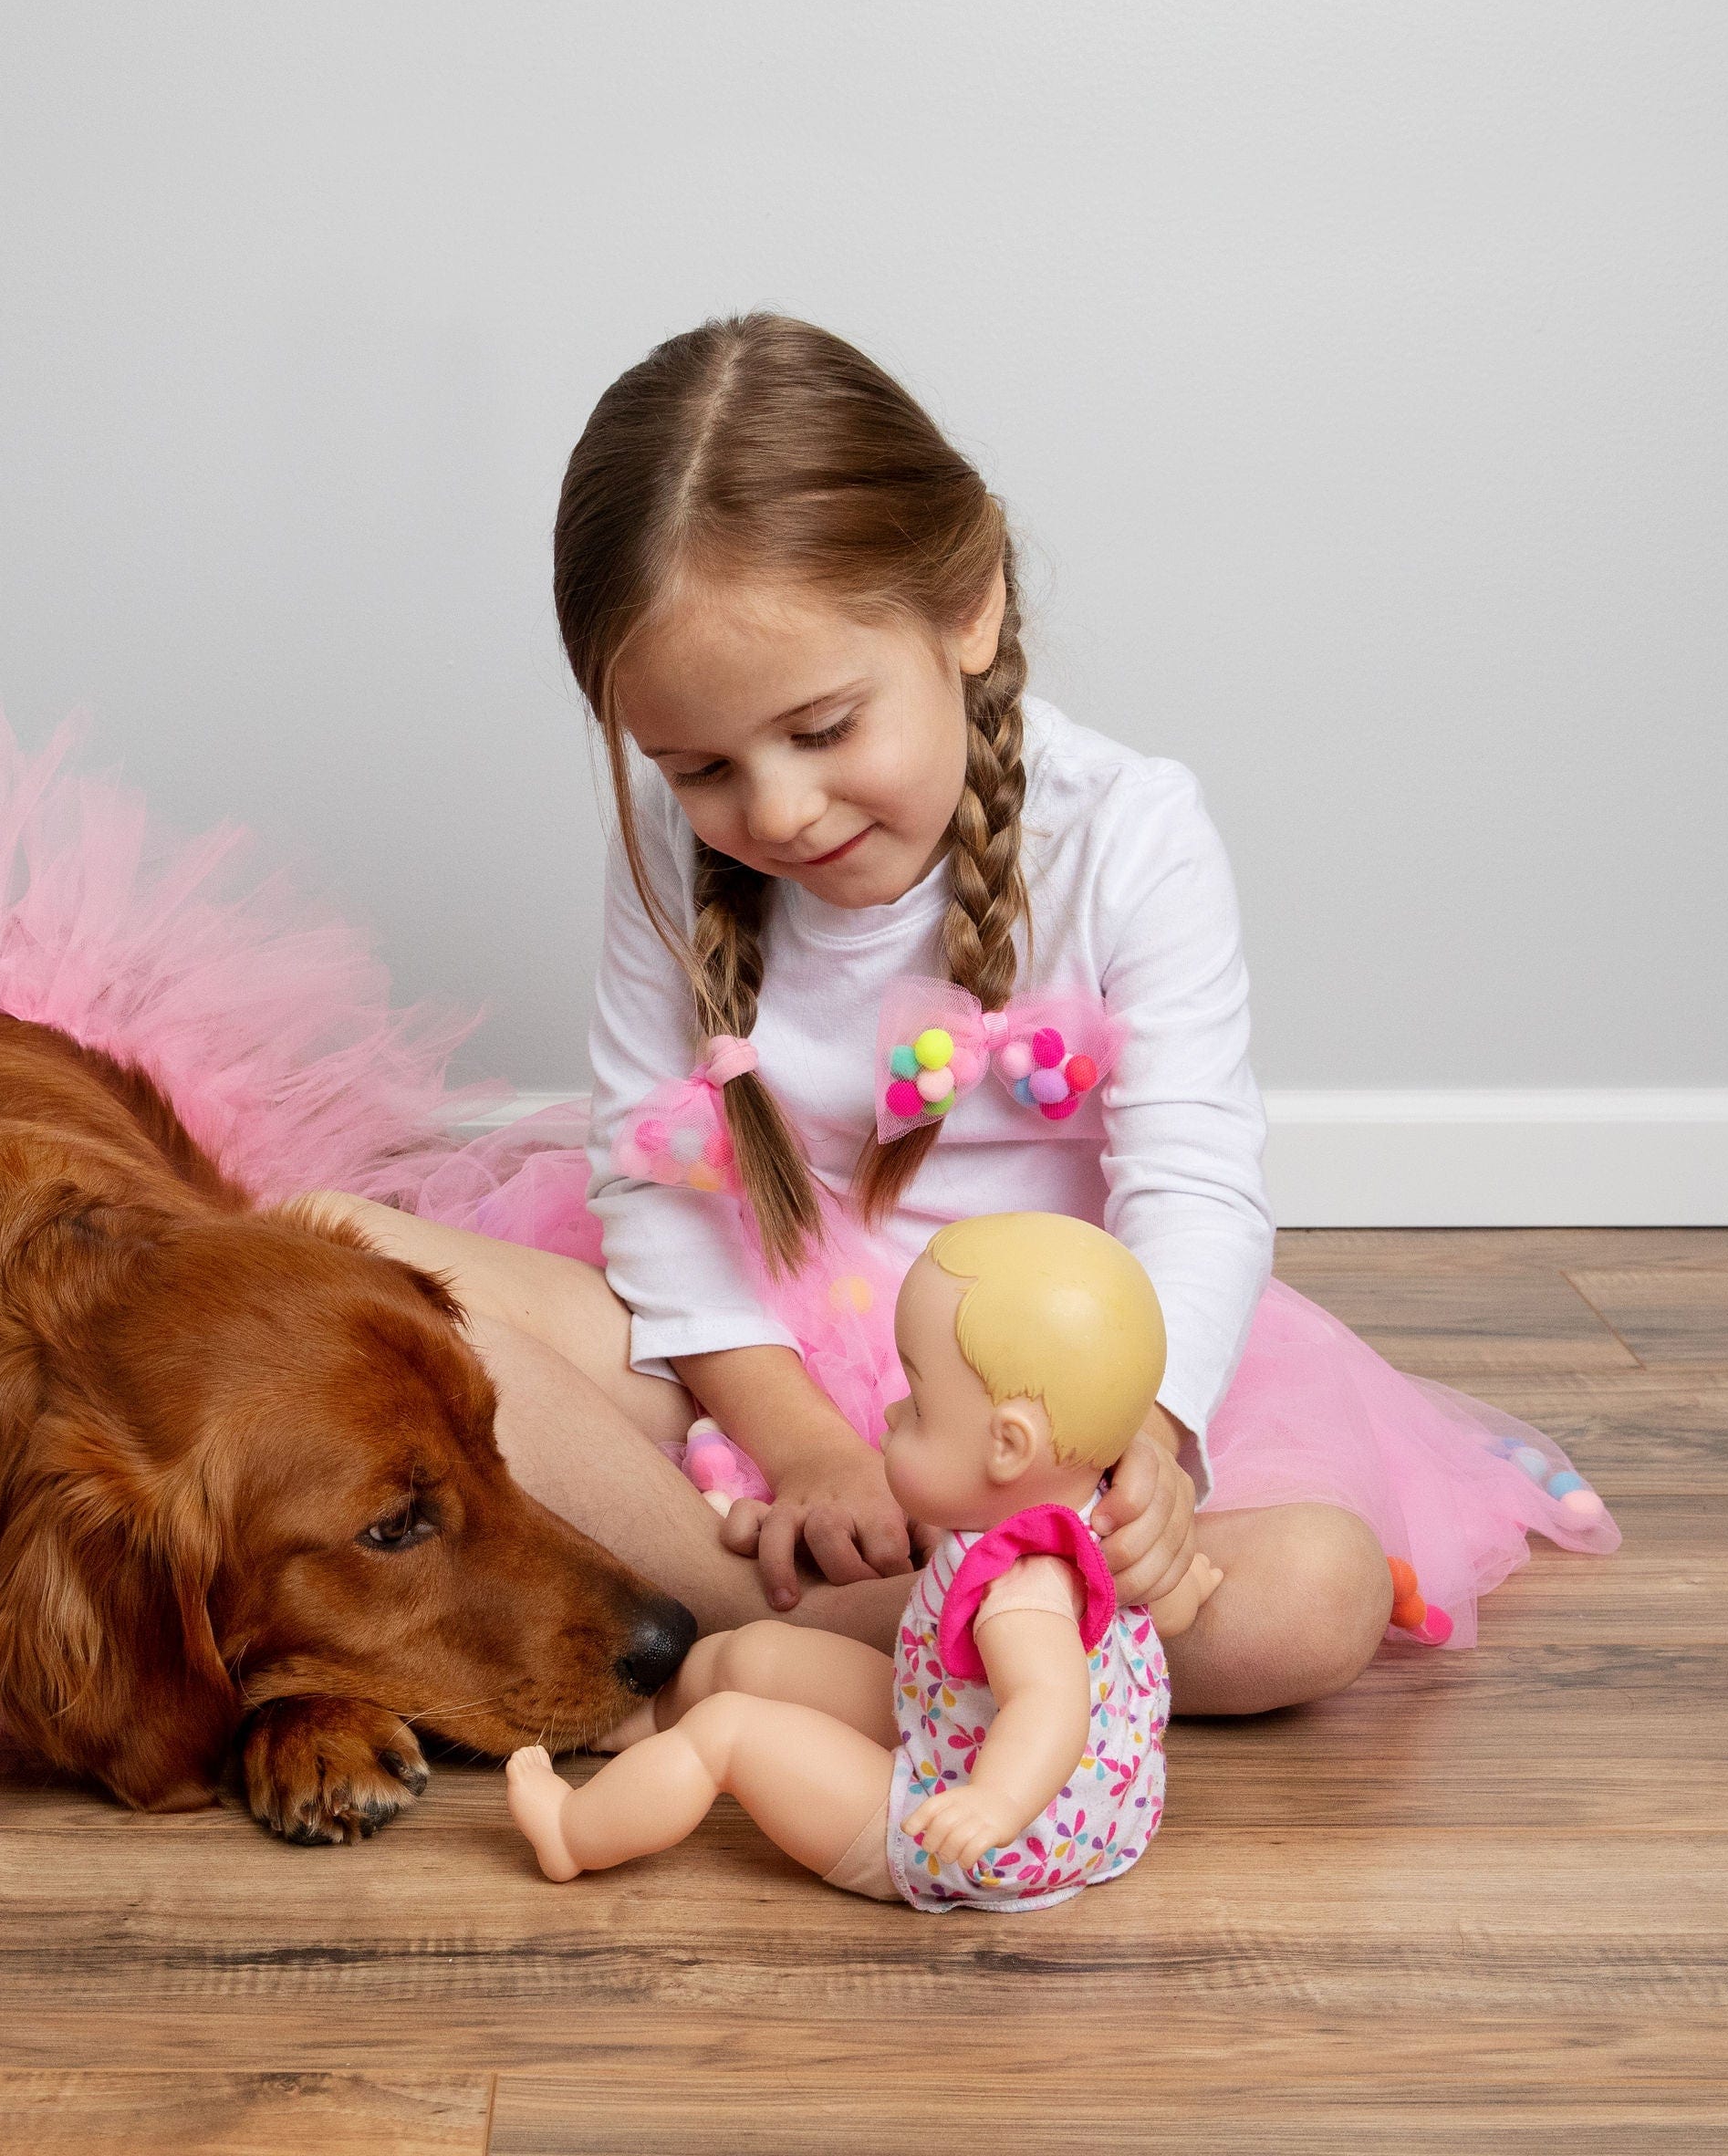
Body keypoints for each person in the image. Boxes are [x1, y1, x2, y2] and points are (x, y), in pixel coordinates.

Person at [310, 313, 1614, 1712]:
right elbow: (652, 1183)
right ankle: (918, 1617)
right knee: (336, 1253)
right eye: (703, 767)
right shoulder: (673, 844)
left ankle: (730, 1600)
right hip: (756, 1363)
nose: (777, 812)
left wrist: (1141, 1447)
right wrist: (804, 1446)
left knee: (1312, 1597)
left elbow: (1194, 1184)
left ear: (968, 609)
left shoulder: (1127, 834)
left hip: (1042, 1402)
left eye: (821, 731)